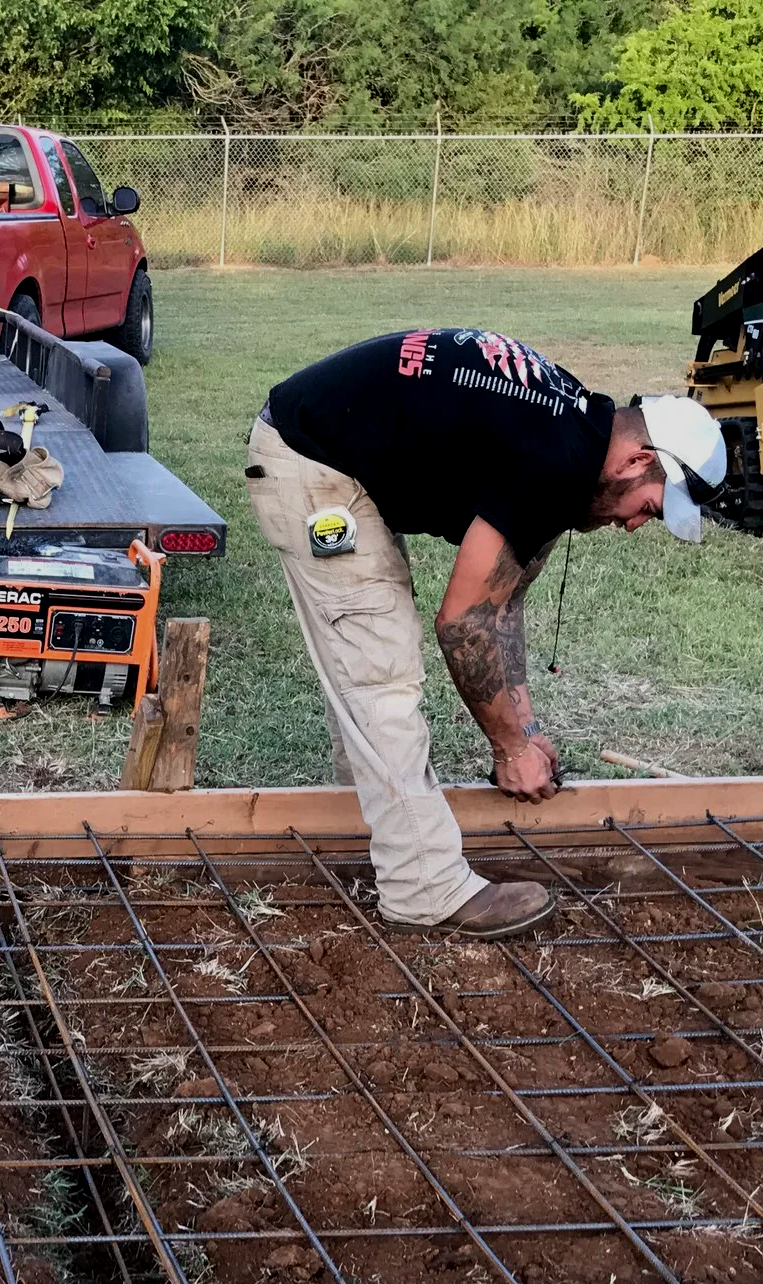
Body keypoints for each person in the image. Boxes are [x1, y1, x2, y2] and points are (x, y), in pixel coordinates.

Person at [246, 328, 727, 937]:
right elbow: (465, 623)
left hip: (340, 448)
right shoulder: (555, 461)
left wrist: (524, 728)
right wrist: (511, 749)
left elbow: (504, 603)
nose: (634, 526)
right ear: (637, 460)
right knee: (379, 668)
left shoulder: (578, 433)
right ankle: (422, 886)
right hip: (312, 461)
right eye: (650, 507)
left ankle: (375, 826)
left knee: (369, 659)